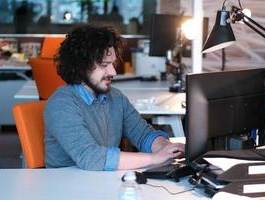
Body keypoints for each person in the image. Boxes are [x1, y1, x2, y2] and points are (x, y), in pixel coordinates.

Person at [44, 24, 184, 171]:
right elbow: (91, 158)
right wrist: (154, 158)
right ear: (81, 67)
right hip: (65, 187)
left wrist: (166, 148)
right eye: (104, 65)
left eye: (112, 63)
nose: (113, 72)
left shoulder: (115, 97)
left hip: (103, 182)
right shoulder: (61, 105)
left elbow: (143, 135)